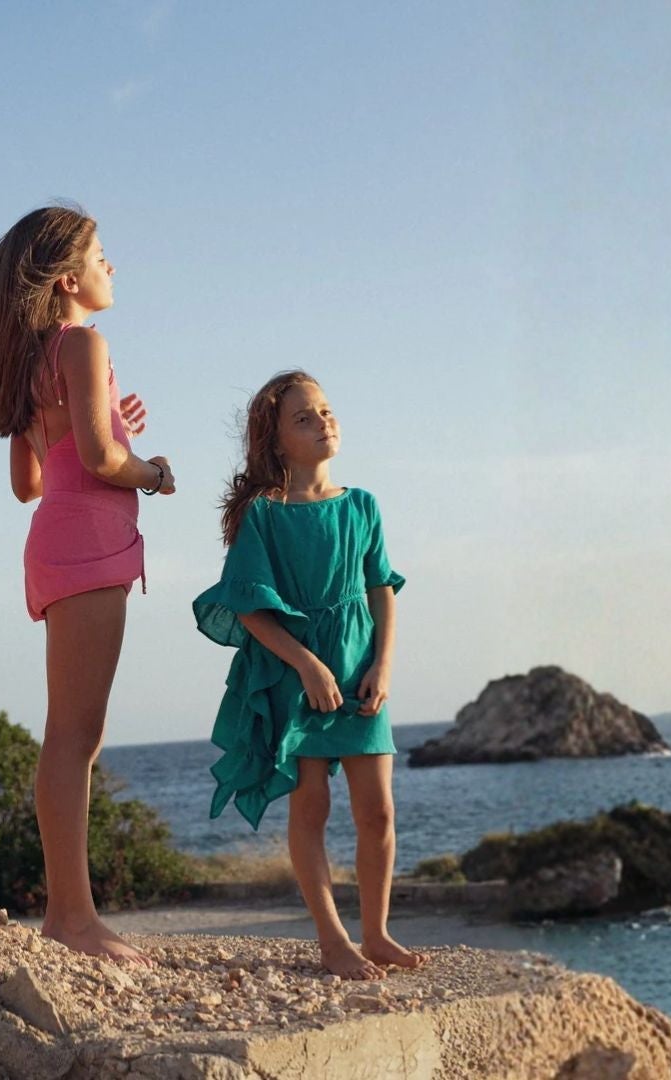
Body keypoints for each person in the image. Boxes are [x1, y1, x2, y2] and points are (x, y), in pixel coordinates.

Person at [0, 205, 173, 962]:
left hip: (57, 539)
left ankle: (71, 913)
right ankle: (71, 918)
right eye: (100, 256)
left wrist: (110, 420)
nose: (111, 267)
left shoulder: (35, 363)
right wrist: (153, 470)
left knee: (71, 733)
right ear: (67, 279)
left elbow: (31, 480)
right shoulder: (84, 343)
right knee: (74, 736)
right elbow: (99, 463)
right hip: (88, 541)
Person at [192, 370, 426, 979]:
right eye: (304, 417)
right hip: (301, 673)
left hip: (361, 670)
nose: (323, 422)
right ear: (275, 442)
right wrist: (306, 663)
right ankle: (331, 939)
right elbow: (247, 605)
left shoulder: (362, 505)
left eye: (325, 410)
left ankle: (375, 933)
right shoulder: (265, 515)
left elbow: (382, 590)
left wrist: (383, 664)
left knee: (377, 812)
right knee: (312, 807)